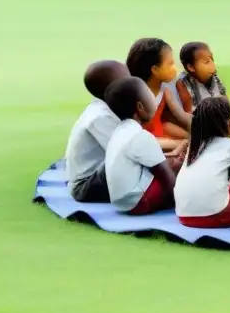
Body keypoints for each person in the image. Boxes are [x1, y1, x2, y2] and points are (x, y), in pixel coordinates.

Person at [103, 76, 178, 215]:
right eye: (150, 96)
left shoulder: (121, 131)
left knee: (172, 163)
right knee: (179, 170)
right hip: (138, 201)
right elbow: (167, 178)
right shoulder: (141, 136)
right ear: (140, 107)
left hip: (121, 201)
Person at [174, 97, 230, 228]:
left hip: (184, 217)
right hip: (218, 216)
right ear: (228, 123)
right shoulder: (228, 144)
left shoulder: (194, 147)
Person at [64, 59, 129, 202]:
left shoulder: (108, 108)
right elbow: (129, 152)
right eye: (127, 79)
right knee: (146, 167)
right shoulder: (100, 117)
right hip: (86, 186)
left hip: (98, 176)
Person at [125, 37, 189, 151]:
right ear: (155, 69)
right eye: (170, 64)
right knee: (187, 145)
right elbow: (137, 137)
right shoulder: (137, 98)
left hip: (161, 131)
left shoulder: (165, 92)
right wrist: (180, 143)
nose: (175, 69)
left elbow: (182, 117)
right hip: (145, 141)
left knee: (192, 139)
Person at [175, 41, 227, 114]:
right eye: (207, 62)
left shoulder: (214, 78)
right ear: (191, 67)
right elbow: (188, 112)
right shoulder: (183, 83)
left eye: (212, 60)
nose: (212, 65)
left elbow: (225, 100)